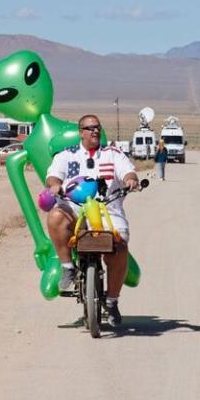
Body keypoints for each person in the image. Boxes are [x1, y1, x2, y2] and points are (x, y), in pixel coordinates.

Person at [44, 114, 140, 327]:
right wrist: (54, 185)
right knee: (56, 217)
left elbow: (128, 171)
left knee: (119, 244)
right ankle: (67, 266)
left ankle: (112, 300)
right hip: (75, 207)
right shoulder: (66, 155)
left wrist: (130, 180)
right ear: (81, 132)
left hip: (107, 209)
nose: (95, 131)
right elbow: (53, 176)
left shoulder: (113, 154)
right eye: (89, 128)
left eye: (97, 127)